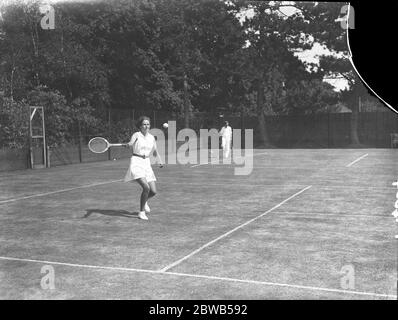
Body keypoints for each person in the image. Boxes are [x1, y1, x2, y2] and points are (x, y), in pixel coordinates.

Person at [124, 116, 163, 220]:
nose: (146, 126)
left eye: (148, 124)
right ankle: (141, 212)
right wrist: (129, 144)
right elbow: (132, 142)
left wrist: (159, 160)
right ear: (140, 126)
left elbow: (155, 151)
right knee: (146, 187)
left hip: (147, 163)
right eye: (144, 124)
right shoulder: (136, 135)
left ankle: (145, 201)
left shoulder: (151, 137)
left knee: (153, 191)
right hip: (136, 162)